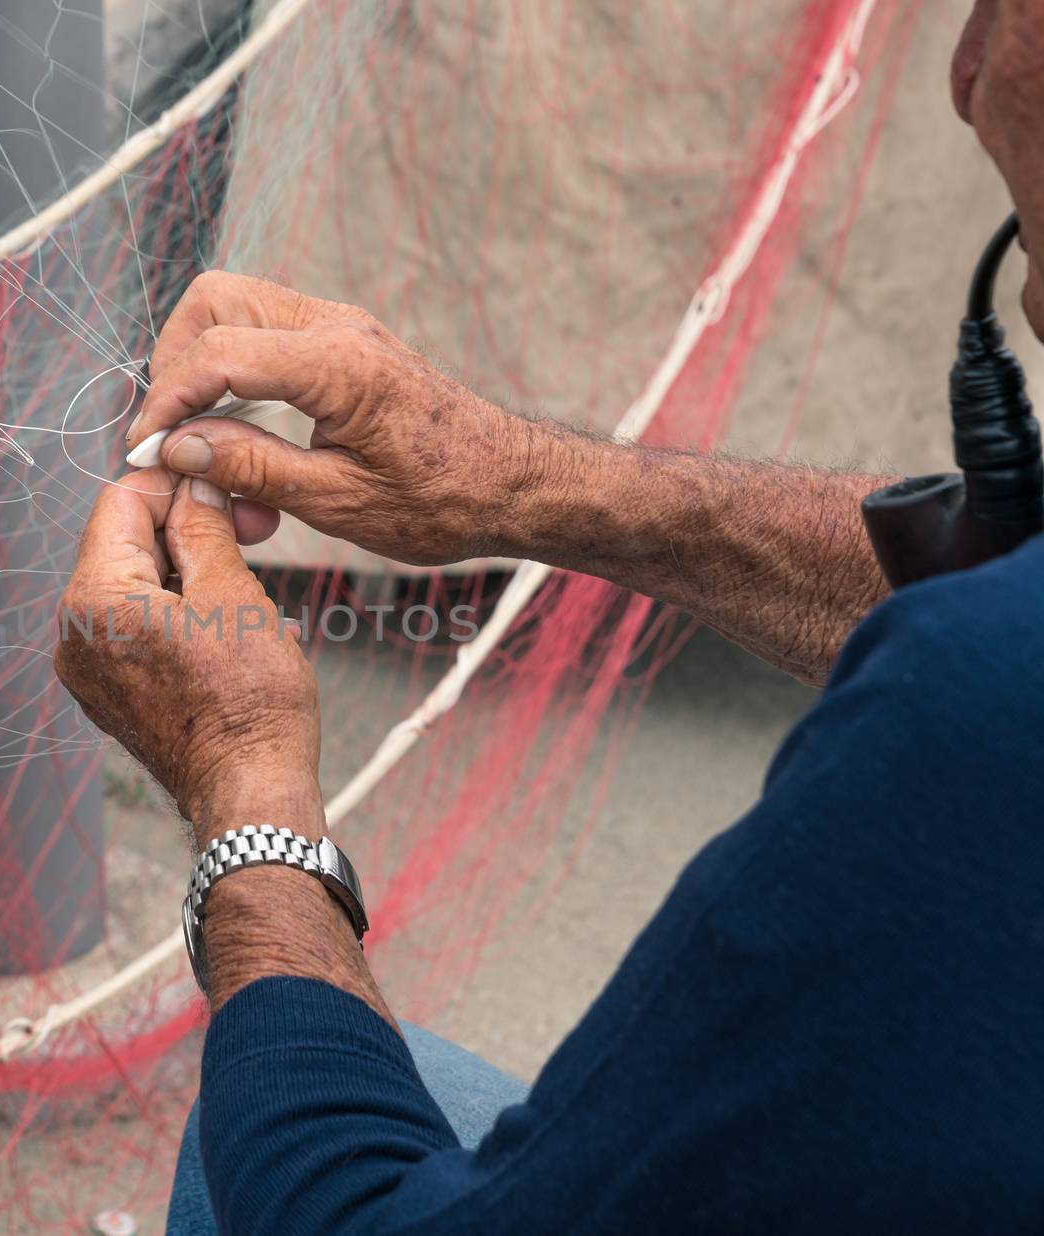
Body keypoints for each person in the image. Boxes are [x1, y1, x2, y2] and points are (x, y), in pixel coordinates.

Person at [53, 3, 1044, 1231]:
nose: (960, 77)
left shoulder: (971, 724)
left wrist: (247, 800)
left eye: (1009, 16)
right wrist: (521, 477)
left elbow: (360, 1212)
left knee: (249, 1134)